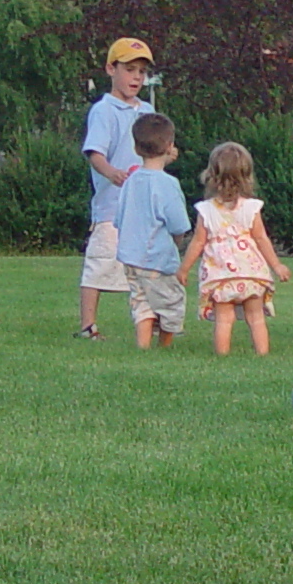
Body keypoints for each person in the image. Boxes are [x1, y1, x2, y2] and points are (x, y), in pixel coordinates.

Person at [177, 141, 293, 356]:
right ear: (247, 176)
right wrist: (276, 265)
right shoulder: (251, 207)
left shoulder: (207, 210)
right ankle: (262, 353)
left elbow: (198, 242)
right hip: (251, 274)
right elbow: (261, 238)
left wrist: (184, 268)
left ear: (211, 175)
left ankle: (222, 354)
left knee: (224, 318)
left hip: (221, 276)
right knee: (255, 316)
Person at [74, 37, 155, 338]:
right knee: (100, 264)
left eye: (141, 72)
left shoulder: (147, 111)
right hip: (112, 208)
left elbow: (157, 149)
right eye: (129, 69)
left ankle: (152, 321)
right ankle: (87, 326)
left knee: (147, 267)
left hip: (143, 208)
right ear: (111, 68)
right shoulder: (104, 111)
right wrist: (112, 173)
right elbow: (95, 153)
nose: (136, 77)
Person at [113, 112, 191, 350]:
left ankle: (143, 345)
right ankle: (164, 345)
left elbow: (119, 219)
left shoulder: (131, 180)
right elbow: (179, 224)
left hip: (130, 257)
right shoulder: (167, 184)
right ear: (169, 146)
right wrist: (177, 242)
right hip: (157, 258)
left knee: (142, 304)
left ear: (136, 147)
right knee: (171, 303)